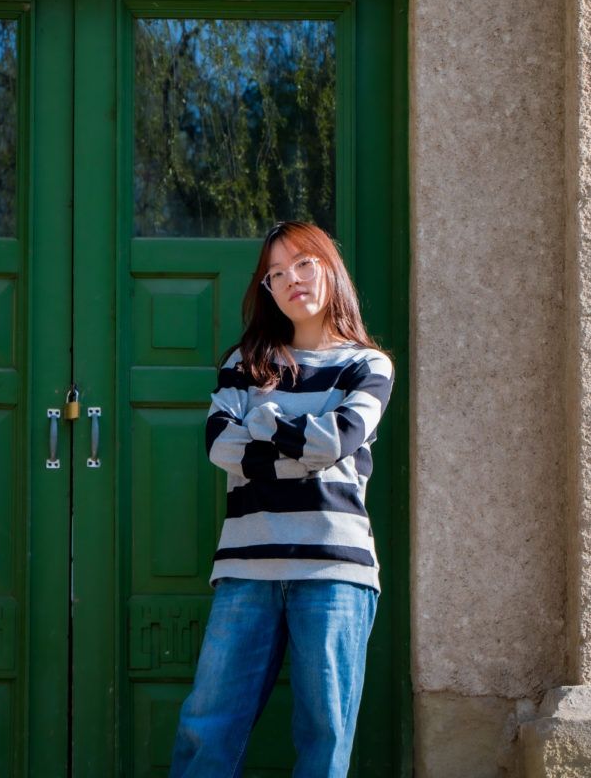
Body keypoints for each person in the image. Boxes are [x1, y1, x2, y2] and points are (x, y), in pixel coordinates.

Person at [168, 220, 394, 778]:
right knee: (206, 728)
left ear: (330, 269)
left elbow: (336, 442)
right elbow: (220, 446)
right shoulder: (244, 364)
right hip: (247, 568)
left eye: (303, 264)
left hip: (335, 570)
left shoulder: (368, 366)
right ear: (267, 290)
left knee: (325, 735)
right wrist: (302, 447)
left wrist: (264, 423)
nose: (291, 279)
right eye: (275, 273)